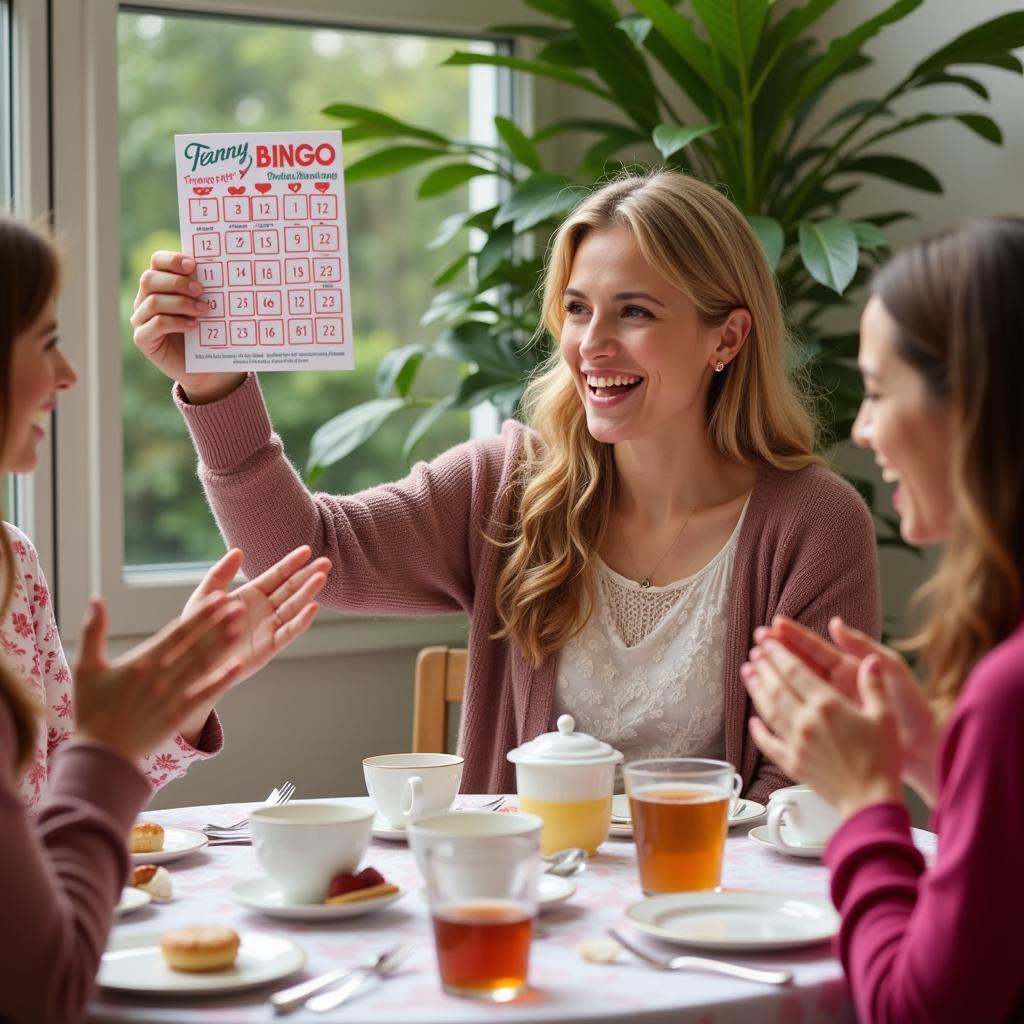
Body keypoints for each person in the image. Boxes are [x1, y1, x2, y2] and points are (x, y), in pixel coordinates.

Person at [132, 169, 880, 798]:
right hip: (515, 916)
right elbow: (304, 553)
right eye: (579, 309)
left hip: (708, 916)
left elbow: (808, 788)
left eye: (636, 312)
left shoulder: (812, 526)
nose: (592, 344)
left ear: (727, 336)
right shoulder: (508, 485)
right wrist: (216, 387)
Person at [0, 215, 324, 1022]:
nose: (68, 373)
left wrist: (183, 697)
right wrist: (111, 744)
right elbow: (39, 985)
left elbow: (60, 802)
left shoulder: (13, 561)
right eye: (45, 342)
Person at [742, 219, 1024, 1021]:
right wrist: (936, 757)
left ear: (969, 403)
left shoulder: (1009, 689)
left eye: (875, 391)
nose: (861, 432)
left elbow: (913, 1012)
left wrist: (867, 802)